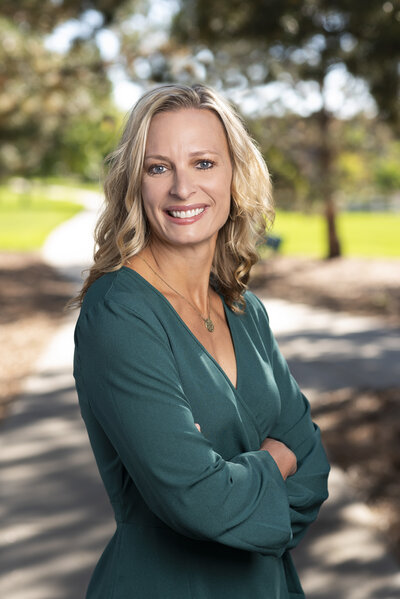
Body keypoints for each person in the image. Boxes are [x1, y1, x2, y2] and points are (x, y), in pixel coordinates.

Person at [72, 83, 330, 598]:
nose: (182, 189)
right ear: (134, 183)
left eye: (204, 163)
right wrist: (277, 458)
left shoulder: (244, 309)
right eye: (158, 167)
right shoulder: (119, 313)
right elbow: (199, 499)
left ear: (235, 175)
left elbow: (314, 464)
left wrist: (241, 479)